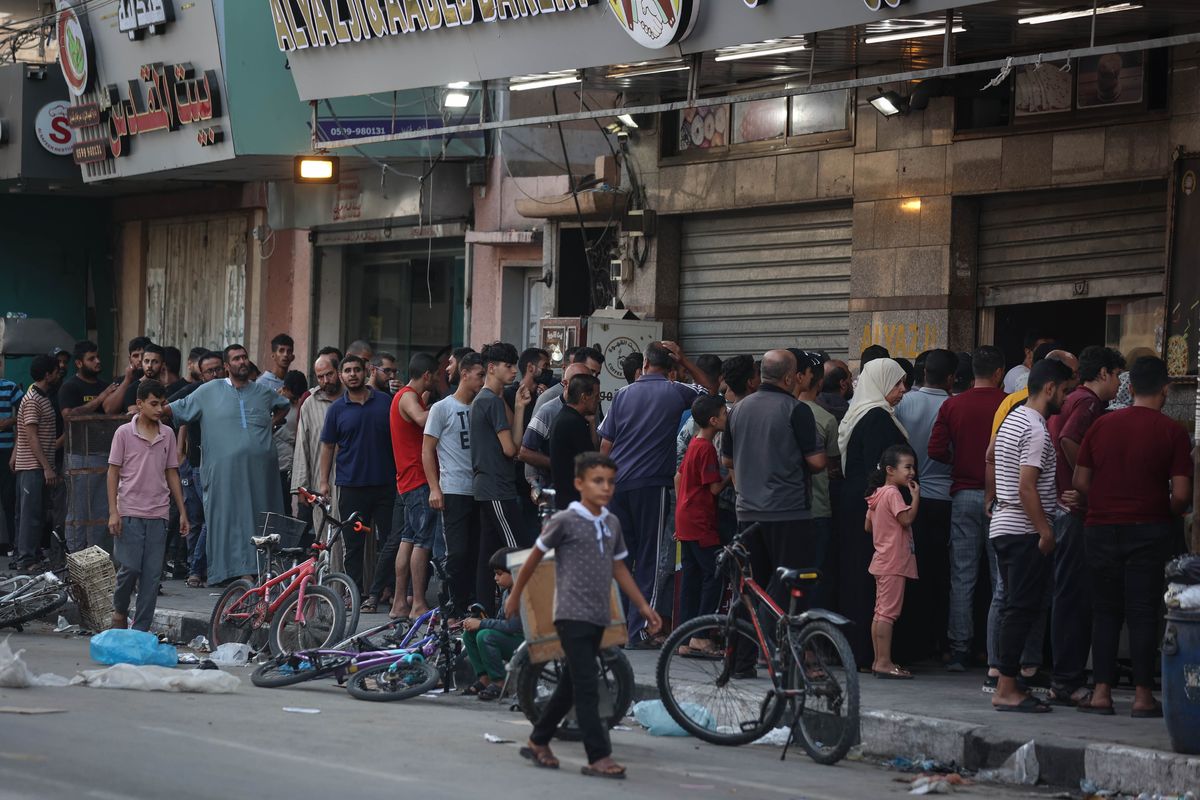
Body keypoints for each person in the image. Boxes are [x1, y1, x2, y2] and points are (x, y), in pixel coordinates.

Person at [505, 453, 662, 779]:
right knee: (588, 685)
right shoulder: (565, 521)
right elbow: (534, 558)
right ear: (579, 484)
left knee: (571, 685)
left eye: (610, 482)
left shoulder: (611, 522)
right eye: (597, 481)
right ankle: (599, 756)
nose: (605, 488)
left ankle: (538, 740)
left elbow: (619, 568)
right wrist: (516, 595)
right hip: (571, 615)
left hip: (598, 615)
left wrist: (644, 607)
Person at [1072, 356, 1193, 717]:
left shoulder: (1102, 425)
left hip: (1100, 528)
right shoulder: (1172, 432)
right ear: (1166, 390)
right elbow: (1184, 496)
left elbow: (1080, 481)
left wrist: (1105, 503)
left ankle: (1101, 694)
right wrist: (1162, 511)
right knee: (1143, 612)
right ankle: (1142, 696)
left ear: (1131, 387)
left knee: (1105, 611)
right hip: (1149, 530)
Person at [599, 341, 716, 644]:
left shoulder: (623, 394)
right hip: (651, 485)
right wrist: (687, 360)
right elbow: (711, 393)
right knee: (650, 559)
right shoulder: (675, 390)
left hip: (617, 485)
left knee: (622, 558)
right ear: (671, 367)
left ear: (645, 365)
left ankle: (618, 627)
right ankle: (640, 628)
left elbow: (605, 446)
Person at [722, 349, 825, 674]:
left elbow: (727, 460)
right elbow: (817, 462)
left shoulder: (737, 410)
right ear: (789, 377)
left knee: (749, 586)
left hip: (747, 513)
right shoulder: (796, 410)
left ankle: (740, 663)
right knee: (793, 582)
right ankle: (788, 654)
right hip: (788, 513)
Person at [989, 359, 1072, 713]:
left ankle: (1010, 682)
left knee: (1015, 607)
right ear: (1050, 388)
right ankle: (1006, 688)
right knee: (1020, 609)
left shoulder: (1013, 419)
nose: (1066, 399)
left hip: (1003, 525)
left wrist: (992, 500)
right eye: (1065, 391)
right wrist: (1045, 530)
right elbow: (1027, 486)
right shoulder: (1036, 429)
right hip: (1023, 530)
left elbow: (990, 456)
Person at [168, 344, 290, 586]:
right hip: (225, 474)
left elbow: (284, 405)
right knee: (230, 520)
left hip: (261, 474)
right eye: (236, 359)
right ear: (227, 366)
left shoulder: (262, 391)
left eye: (244, 357)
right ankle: (238, 573)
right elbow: (177, 410)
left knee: (261, 517)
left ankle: (264, 571)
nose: (242, 362)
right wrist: (146, 413)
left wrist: (269, 425)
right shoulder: (208, 391)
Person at [1046, 345, 1124, 705]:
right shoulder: (1089, 403)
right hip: (1074, 513)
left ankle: (1064, 676)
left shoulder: (1073, 399)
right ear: (1105, 374)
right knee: (1074, 596)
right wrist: (1086, 483)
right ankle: (1067, 680)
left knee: (1069, 594)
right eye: (1118, 376)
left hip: (1065, 508)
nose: (1119, 384)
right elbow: (1068, 439)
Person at [928, 345, 1009, 672]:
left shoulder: (952, 405)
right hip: (1001, 497)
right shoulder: (1009, 404)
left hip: (962, 496)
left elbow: (935, 449)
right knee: (999, 576)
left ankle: (959, 648)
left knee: (962, 576)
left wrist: (959, 461)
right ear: (999, 372)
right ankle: (997, 651)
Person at [836, 357, 909, 667]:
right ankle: (873, 654)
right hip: (876, 511)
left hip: (858, 505)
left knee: (860, 576)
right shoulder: (878, 418)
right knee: (876, 580)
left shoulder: (861, 413)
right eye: (897, 384)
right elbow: (879, 469)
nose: (903, 390)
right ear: (880, 385)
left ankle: (858, 650)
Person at [107, 380, 188, 631]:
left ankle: (140, 630)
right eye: (154, 404)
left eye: (162, 404)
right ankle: (120, 610)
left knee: (152, 577)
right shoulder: (123, 433)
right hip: (129, 511)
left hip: (159, 513)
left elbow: (172, 473)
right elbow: (113, 473)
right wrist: (113, 512)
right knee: (129, 569)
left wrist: (182, 512)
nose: (159, 409)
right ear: (140, 404)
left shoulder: (168, 434)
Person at [893, 348, 956, 662]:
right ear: (951, 378)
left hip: (911, 497)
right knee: (944, 574)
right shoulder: (953, 405)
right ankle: (940, 640)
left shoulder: (904, 403)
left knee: (912, 571)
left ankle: (914, 639)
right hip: (946, 499)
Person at [318, 354, 395, 595]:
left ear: (366, 372)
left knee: (390, 542)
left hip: (386, 485)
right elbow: (328, 446)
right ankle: (355, 593)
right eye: (347, 370)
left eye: (357, 370)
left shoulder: (386, 402)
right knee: (353, 544)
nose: (352, 374)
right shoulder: (336, 409)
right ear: (342, 376)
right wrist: (323, 482)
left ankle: (387, 590)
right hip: (351, 487)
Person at [471, 342, 532, 615]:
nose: (513, 372)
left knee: (488, 552)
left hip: (489, 486)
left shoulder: (488, 401)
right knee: (517, 550)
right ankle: (520, 610)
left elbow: (514, 447)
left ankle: (482, 608)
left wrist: (519, 408)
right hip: (497, 487)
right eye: (508, 367)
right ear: (491, 368)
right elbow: (511, 449)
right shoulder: (490, 402)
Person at [378, 352, 439, 621]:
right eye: (435, 375)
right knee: (422, 542)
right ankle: (418, 604)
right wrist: (446, 405)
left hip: (407, 479)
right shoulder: (407, 397)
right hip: (417, 479)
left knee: (408, 539)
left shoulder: (406, 396)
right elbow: (423, 420)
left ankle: (400, 604)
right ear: (427, 375)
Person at [424, 352, 485, 613]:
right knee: (456, 553)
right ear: (465, 373)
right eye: (480, 375)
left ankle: (470, 605)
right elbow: (427, 450)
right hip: (453, 489)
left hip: (480, 490)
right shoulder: (442, 408)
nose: (483, 381)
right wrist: (434, 488)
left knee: (476, 552)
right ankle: (453, 605)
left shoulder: (483, 406)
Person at [674, 394, 729, 636]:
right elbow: (714, 488)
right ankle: (702, 635)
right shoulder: (706, 448)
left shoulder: (694, 444)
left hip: (686, 518)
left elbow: (679, 477)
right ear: (714, 420)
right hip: (700, 520)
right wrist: (732, 473)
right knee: (714, 575)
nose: (728, 416)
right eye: (725, 413)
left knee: (691, 578)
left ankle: (685, 636)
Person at [864, 443, 920, 679]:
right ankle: (885, 662)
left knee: (880, 612)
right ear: (890, 469)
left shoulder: (876, 494)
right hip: (894, 560)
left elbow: (867, 526)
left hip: (881, 559)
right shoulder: (894, 493)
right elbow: (906, 519)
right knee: (888, 614)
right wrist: (916, 497)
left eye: (912, 467)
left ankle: (879, 661)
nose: (911, 472)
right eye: (907, 467)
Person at [58, 341, 119, 552]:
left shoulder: (104, 385)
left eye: (97, 357)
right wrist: (100, 399)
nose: (97, 361)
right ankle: (76, 556)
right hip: (78, 455)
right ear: (79, 363)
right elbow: (70, 416)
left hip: (103, 454)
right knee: (80, 511)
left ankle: (96, 557)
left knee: (102, 510)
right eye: (91, 358)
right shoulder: (70, 387)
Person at [172, 350, 224, 587]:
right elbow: (174, 409)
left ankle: (198, 568)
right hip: (197, 467)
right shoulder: (195, 393)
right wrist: (180, 454)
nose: (214, 375)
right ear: (201, 375)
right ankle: (195, 568)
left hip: (222, 467)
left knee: (207, 521)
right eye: (209, 371)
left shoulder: (231, 393)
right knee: (200, 521)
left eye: (217, 369)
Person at [12, 355, 61, 572]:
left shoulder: (41, 397)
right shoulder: (33, 399)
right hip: (33, 466)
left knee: (36, 513)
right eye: (56, 371)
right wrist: (47, 467)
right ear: (47, 374)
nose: (59, 374)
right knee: (30, 515)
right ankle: (26, 560)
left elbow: (26, 432)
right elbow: (31, 436)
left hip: (35, 464)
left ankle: (30, 556)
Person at [461, 547, 524, 701]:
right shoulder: (506, 593)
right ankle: (484, 678)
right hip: (511, 639)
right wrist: (479, 622)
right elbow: (500, 621)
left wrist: (482, 624)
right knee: (469, 634)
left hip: (524, 643)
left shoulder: (522, 594)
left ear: (515, 572)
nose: (496, 578)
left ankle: (499, 682)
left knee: (485, 635)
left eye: (500, 574)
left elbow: (512, 626)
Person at [520, 363, 591, 496]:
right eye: (580, 382)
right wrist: (559, 464)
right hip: (553, 489)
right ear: (565, 383)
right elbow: (525, 451)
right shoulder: (549, 410)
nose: (586, 388)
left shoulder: (591, 407)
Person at [549, 374, 601, 510]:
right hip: (573, 501)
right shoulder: (573, 423)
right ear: (584, 397)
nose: (599, 400)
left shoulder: (566, 417)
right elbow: (591, 462)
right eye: (596, 396)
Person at [275, 370, 307, 509]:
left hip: (287, 464)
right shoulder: (273, 401)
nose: (296, 401)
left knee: (284, 506)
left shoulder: (301, 407)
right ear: (285, 388)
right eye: (294, 397)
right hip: (272, 461)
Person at [0, 371, 24, 557]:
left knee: (9, 499)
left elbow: (25, 411)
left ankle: (12, 544)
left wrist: (11, 421)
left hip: (6, 451)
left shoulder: (10, 387)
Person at [103, 336, 150, 415]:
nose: (140, 359)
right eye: (135, 356)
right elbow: (109, 409)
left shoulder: (156, 380)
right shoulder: (121, 381)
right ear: (130, 359)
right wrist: (127, 380)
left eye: (143, 355)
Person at [121, 344, 166, 412]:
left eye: (155, 362)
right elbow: (133, 413)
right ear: (142, 362)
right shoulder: (132, 389)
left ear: (163, 365)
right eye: (146, 361)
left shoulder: (166, 389)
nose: (149, 366)